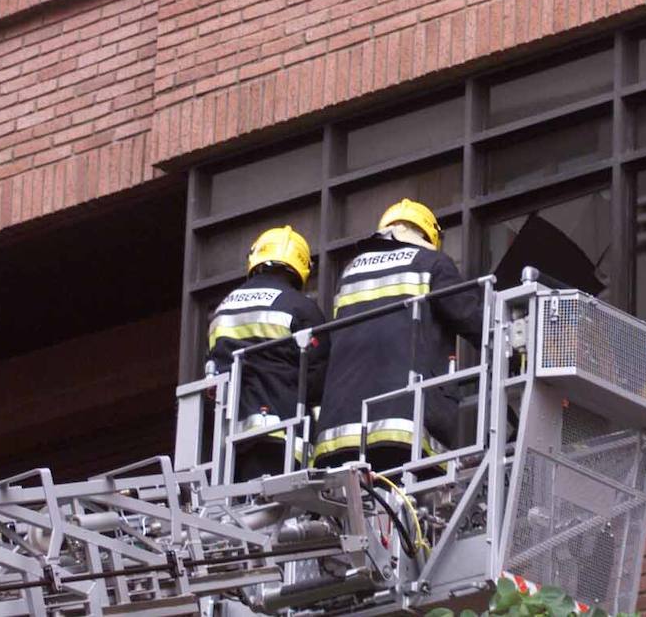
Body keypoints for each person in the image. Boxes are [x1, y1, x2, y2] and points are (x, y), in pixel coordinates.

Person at [313, 199, 483, 473]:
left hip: (337, 434)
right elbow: (470, 317)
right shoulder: (432, 263)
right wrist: (512, 346)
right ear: (427, 235)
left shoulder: (350, 272)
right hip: (403, 428)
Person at [207, 226, 328, 481]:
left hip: (228, 439)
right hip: (279, 432)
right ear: (301, 267)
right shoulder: (300, 306)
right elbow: (318, 376)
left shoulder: (223, 309)